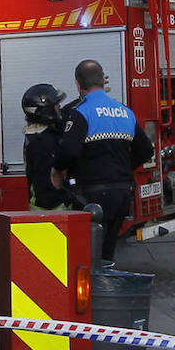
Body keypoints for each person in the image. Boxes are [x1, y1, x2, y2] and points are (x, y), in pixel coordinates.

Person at [55, 59, 153, 263]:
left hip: (92, 195)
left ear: (78, 84)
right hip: (122, 193)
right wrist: (124, 168)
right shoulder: (125, 111)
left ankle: (92, 292)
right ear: (102, 81)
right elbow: (146, 150)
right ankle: (107, 286)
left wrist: (57, 170)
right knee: (107, 252)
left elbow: (68, 152)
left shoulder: (81, 112)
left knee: (88, 255)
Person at [21, 83, 77, 210]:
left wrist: (86, 97)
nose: (59, 107)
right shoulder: (42, 142)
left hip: (47, 210)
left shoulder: (38, 133)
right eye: (56, 105)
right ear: (46, 110)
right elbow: (49, 189)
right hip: (52, 211)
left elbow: (66, 111)